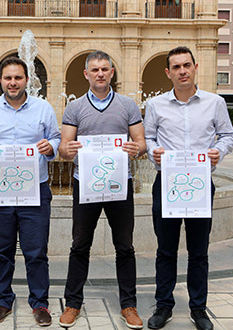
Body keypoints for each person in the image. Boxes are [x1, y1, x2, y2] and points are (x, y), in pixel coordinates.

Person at [144, 46, 233, 330]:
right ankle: (164, 306)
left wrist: (219, 151)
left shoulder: (214, 102)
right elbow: (147, 137)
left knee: (199, 251)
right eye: (176, 67)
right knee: (165, 250)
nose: (182, 71)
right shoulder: (156, 105)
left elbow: (228, 135)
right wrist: (153, 151)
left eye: (186, 65)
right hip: (166, 183)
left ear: (195, 67)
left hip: (199, 183)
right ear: (168, 72)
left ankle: (199, 309)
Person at [58, 50, 146, 329]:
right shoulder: (74, 107)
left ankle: (128, 305)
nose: (100, 74)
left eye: (105, 69)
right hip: (86, 183)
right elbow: (63, 148)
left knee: (125, 246)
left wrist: (137, 149)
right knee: (80, 244)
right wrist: (67, 149)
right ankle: (72, 303)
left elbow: (141, 143)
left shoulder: (128, 105)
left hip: (120, 184)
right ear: (86, 74)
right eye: (95, 70)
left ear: (112, 73)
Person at [0, 56, 60, 327]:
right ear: (0, 81)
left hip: (35, 191)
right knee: (2, 251)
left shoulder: (43, 108)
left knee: (36, 251)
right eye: (8, 78)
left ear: (27, 80)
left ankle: (40, 303)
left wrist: (50, 147)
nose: (13, 82)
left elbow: (56, 138)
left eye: (18, 78)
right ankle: (2, 301)